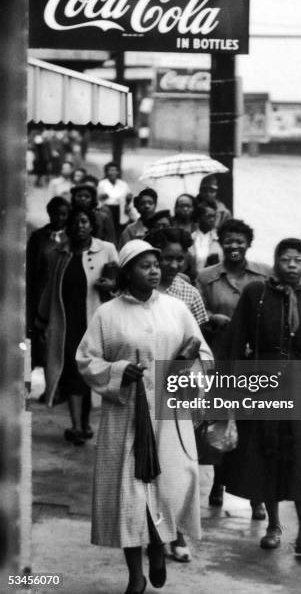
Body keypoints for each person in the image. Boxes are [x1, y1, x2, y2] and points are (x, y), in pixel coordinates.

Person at [76, 240, 212, 594]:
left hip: (169, 415)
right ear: (127, 271)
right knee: (129, 497)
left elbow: (205, 356)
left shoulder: (177, 309)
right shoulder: (107, 313)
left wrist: (185, 368)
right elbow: (87, 360)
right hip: (125, 417)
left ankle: (157, 547)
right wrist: (120, 371)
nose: (154, 270)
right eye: (144, 265)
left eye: (156, 264)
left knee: (170, 485)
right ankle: (135, 575)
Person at [222, 238, 301, 556]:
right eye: (286, 259)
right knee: (270, 456)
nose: (292, 265)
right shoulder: (257, 294)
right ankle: (273, 526)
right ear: (276, 261)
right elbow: (237, 341)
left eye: (298, 260)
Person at [196, 219, 271, 518]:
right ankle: (218, 483)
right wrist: (212, 316)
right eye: (229, 240)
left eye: (240, 241)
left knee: (253, 427)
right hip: (220, 358)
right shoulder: (206, 277)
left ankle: (256, 497)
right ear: (220, 242)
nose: (234, 246)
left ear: (248, 243)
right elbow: (194, 316)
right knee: (219, 422)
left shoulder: (264, 275)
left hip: (253, 362)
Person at [146, 227, 209, 562]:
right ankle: (150, 532)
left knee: (180, 468)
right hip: (142, 389)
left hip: (177, 393)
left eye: (178, 258)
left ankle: (178, 533)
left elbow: (203, 347)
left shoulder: (189, 294)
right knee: (145, 467)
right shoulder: (139, 290)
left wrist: (190, 361)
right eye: (165, 257)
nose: (171, 264)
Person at [36, 208, 118, 445]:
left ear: (91, 225)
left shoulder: (107, 250)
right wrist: (41, 322)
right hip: (66, 326)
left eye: (84, 222)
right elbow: (50, 290)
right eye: (74, 222)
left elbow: (121, 282)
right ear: (68, 227)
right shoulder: (58, 253)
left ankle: (85, 422)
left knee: (89, 374)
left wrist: (111, 285)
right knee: (72, 372)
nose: (79, 226)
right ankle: (77, 426)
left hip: (94, 324)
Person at [26, 196, 70, 369]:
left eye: (64, 214)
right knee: (42, 335)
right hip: (42, 293)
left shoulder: (71, 237)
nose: (60, 218)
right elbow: (31, 267)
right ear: (49, 214)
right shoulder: (39, 237)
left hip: (63, 294)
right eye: (56, 214)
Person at [71, 176, 117, 244]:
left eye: (87, 196)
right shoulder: (70, 215)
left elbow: (111, 239)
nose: (83, 199)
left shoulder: (102, 215)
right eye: (80, 196)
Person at [97, 162, 134, 235]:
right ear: (107, 172)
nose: (112, 172)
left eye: (115, 170)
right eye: (110, 170)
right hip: (106, 210)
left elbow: (128, 197)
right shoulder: (102, 183)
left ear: (118, 172)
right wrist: (102, 196)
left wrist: (128, 201)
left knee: (120, 230)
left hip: (120, 210)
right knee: (108, 230)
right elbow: (98, 198)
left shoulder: (123, 184)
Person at [189, 201, 223, 274]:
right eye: (209, 216)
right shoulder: (190, 239)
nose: (212, 220)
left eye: (214, 216)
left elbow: (231, 255)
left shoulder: (220, 239)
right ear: (199, 218)